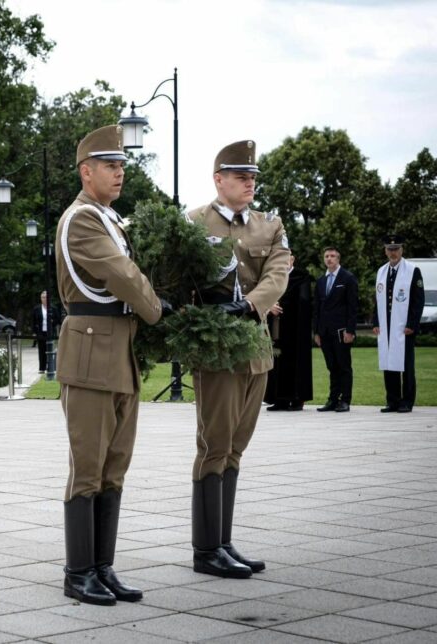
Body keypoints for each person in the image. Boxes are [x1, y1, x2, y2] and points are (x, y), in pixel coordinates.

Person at [55, 124, 164, 606]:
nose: (119, 172)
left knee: (114, 466)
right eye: (110, 166)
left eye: (122, 165)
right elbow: (123, 274)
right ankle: (78, 571)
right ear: (86, 171)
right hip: (92, 347)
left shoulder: (111, 219)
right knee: (89, 467)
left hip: (117, 348)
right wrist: (158, 307)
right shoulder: (82, 219)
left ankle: (102, 566)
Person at [188, 140, 289, 579]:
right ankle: (206, 549)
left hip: (256, 349)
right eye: (241, 176)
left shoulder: (269, 225)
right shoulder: (193, 222)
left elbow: (279, 272)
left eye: (253, 177)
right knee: (214, 445)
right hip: (216, 353)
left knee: (235, 448)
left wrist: (249, 305)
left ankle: (224, 542)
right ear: (219, 179)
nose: (250, 183)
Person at [372, 235, 425, 413]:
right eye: (390, 249)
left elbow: (418, 301)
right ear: (385, 251)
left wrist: (412, 323)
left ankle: (407, 401)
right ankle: (392, 400)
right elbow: (377, 300)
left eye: (396, 249)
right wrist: (376, 321)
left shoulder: (412, 270)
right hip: (386, 326)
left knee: (406, 365)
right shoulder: (381, 271)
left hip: (404, 328)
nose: (393, 252)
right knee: (388, 362)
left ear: (401, 249)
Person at [264, 253, 313, 410]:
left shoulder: (301, 276)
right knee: (277, 361)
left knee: (295, 362)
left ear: (293, 259)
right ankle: (279, 399)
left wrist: (283, 305)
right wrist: (271, 306)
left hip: (295, 328)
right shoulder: (273, 276)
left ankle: (296, 399)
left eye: (288, 258)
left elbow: (304, 301)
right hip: (277, 327)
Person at [313, 247, 358, 412]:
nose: (329, 259)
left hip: (341, 331)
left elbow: (353, 307)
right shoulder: (321, 281)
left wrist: (350, 330)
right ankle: (332, 399)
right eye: (326, 256)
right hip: (324, 332)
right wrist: (316, 332)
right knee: (332, 367)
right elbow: (317, 308)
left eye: (332, 256)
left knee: (344, 366)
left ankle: (345, 400)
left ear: (338, 259)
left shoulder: (348, 278)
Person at [32, 290, 61, 374]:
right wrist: (34, 332)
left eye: (46, 297)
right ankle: (42, 368)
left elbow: (58, 319)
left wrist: (52, 321)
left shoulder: (53, 308)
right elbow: (33, 321)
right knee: (41, 350)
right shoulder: (36, 309)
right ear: (41, 299)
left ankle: (50, 367)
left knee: (50, 349)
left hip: (50, 332)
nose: (44, 299)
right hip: (40, 332)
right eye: (43, 297)